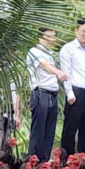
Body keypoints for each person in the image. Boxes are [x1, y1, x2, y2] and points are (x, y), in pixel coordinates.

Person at [26, 28, 68, 160]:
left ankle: (44, 162)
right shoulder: (34, 51)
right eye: (49, 36)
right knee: (38, 131)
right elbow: (44, 66)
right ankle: (33, 162)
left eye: (54, 36)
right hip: (40, 94)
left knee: (49, 132)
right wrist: (58, 73)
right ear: (40, 37)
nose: (53, 40)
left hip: (52, 95)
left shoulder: (50, 54)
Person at [59, 17, 85, 156]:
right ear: (76, 30)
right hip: (75, 91)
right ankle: (65, 160)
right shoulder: (68, 49)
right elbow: (66, 72)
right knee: (70, 128)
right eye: (84, 31)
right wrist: (69, 93)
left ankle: (82, 160)